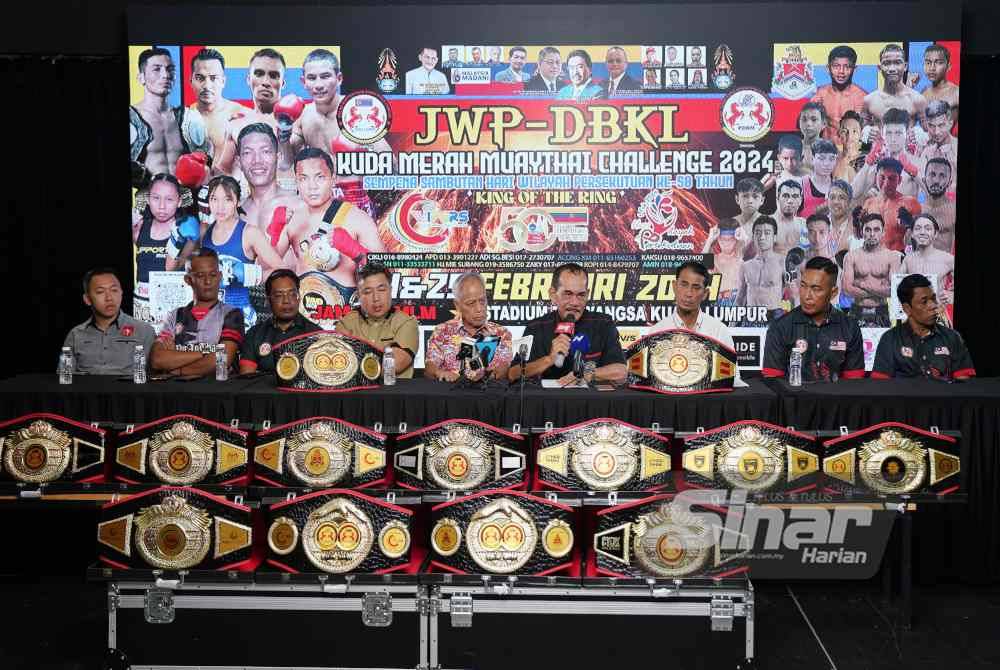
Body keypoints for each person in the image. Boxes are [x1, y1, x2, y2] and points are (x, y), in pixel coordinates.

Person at [280, 49, 394, 218]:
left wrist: (364, 154)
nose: (318, 84)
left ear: (339, 78)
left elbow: (390, 162)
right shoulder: (302, 114)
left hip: (356, 196)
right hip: (320, 196)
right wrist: (283, 132)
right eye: (312, 78)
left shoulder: (356, 111)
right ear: (303, 82)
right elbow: (288, 161)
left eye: (325, 76)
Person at [275, 148, 385, 304]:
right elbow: (264, 269)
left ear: (333, 179)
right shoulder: (292, 218)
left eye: (320, 177)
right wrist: (274, 231)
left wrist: (355, 251)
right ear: (296, 182)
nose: (312, 186)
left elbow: (387, 274)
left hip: (345, 317)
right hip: (303, 318)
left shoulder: (357, 218)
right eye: (304, 179)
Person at [510, 263, 626, 386]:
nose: (575, 302)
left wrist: (585, 373)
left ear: (587, 295)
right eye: (568, 294)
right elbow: (513, 373)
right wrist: (549, 359)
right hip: (546, 402)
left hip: (591, 403)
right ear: (553, 295)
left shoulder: (604, 324)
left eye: (581, 295)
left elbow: (621, 372)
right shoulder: (535, 327)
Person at [200, 175, 286, 326]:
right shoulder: (206, 233)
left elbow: (282, 271)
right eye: (214, 199)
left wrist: (249, 274)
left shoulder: (249, 233)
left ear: (237, 202)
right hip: (210, 319)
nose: (220, 207)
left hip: (240, 320)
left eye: (227, 199)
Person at [762, 256, 864, 382]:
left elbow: (855, 385)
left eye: (816, 289)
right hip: (794, 400)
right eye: (803, 286)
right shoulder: (780, 327)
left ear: (833, 293)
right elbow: (773, 385)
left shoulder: (850, 327)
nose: (806, 296)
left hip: (837, 401)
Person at [150, 248, 245, 377]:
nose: (208, 281)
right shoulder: (174, 315)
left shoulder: (232, 314)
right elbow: (157, 360)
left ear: (220, 276)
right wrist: (206, 353)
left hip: (218, 393)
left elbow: (222, 360)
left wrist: (178, 367)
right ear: (188, 280)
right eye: (200, 276)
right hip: (178, 392)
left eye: (213, 275)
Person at [650, 261, 743, 384]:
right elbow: (650, 379)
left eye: (696, 287)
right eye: (684, 284)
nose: (688, 294)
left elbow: (733, 378)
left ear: (705, 294)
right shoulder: (656, 331)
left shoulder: (719, 330)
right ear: (674, 286)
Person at [130, 48, 212, 186]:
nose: (165, 75)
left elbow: (206, 160)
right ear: (141, 77)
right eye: (157, 69)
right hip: (148, 199)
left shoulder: (188, 117)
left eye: (170, 69)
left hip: (184, 199)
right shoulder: (131, 118)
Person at [871, 274, 973, 380]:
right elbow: (881, 387)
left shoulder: (952, 337)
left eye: (933, 299)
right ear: (907, 308)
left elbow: (964, 386)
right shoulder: (890, 339)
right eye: (924, 302)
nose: (933, 305)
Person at [62, 268, 156, 375]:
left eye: (114, 290)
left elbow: (153, 377)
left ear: (121, 293)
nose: (109, 298)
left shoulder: (144, 331)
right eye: (100, 292)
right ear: (87, 299)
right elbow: (65, 377)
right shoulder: (76, 334)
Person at [425, 272, 513, 382]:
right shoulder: (442, 332)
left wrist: (486, 377)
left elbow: (504, 369)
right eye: (471, 303)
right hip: (450, 395)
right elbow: (430, 368)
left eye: (482, 301)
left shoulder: (501, 333)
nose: (479, 309)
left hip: (488, 396)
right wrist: (440, 373)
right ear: (457, 305)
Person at [335, 263, 419, 378]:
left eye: (381, 290)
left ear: (390, 290)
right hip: (355, 393)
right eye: (368, 292)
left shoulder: (406, 322)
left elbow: (395, 365)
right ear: (359, 295)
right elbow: (337, 364)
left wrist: (353, 362)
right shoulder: (346, 323)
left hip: (393, 393)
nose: (376, 298)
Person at [215, 48, 288, 177]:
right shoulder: (237, 122)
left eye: (273, 75)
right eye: (259, 74)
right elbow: (223, 172)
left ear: (282, 83)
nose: (265, 82)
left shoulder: (297, 121)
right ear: (249, 79)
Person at [239, 269, 320, 374]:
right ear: (268, 301)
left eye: (292, 294)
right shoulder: (254, 335)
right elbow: (246, 378)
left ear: (299, 297)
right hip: (262, 390)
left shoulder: (317, 335)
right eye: (279, 295)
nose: (286, 300)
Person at [132, 174, 188, 320]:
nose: (162, 206)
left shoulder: (186, 232)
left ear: (179, 201)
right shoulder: (138, 229)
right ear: (148, 199)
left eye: (169, 199)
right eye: (156, 198)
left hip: (175, 313)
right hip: (142, 310)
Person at [236, 123, 302, 246]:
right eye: (248, 153)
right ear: (239, 162)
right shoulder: (234, 213)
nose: (257, 160)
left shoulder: (298, 207)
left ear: (279, 157)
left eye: (265, 151)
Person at [188, 48, 246, 162]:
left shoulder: (240, 115)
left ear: (223, 81)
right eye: (200, 78)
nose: (207, 85)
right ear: (191, 81)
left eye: (213, 78)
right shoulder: (183, 117)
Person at [842, 213, 901, 323]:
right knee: (854, 340)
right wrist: (879, 290)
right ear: (862, 232)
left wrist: (862, 285)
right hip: (857, 310)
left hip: (881, 311)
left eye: (876, 230)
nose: (872, 234)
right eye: (868, 230)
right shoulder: (851, 256)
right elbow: (847, 290)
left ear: (883, 232)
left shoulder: (893, 257)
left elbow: (894, 291)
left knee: (883, 340)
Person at [852, 108, 920, 202]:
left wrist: (914, 173)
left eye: (898, 133)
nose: (893, 139)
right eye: (888, 133)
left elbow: (931, 196)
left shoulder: (916, 162)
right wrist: (868, 163)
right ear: (883, 134)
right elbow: (854, 193)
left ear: (907, 133)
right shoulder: (878, 164)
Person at [861, 158, 921, 252]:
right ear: (876, 177)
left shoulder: (910, 203)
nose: (886, 183)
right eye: (882, 177)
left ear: (900, 180)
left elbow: (918, 242)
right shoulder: (868, 203)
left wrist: (911, 225)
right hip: (873, 258)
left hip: (898, 258)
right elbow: (859, 237)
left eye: (891, 178)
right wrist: (856, 224)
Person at [862, 44, 927, 128]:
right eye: (887, 63)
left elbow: (929, 134)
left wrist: (918, 135)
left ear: (905, 66)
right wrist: (867, 134)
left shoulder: (918, 100)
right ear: (879, 67)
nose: (892, 68)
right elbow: (860, 134)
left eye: (897, 63)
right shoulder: (869, 100)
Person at [811, 46, 867, 141]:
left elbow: (864, 134)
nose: (841, 71)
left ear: (855, 69)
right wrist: (812, 110)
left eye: (847, 66)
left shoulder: (862, 97)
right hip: (826, 151)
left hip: (850, 151)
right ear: (828, 68)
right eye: (836, 66)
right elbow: (808, 127)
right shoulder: (821, 93)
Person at [900, 214, 955, 306]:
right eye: (918, 228)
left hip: (937, 314)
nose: (922, 232)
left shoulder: (948, 259)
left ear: (935, 233)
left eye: (928, 228)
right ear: (912, 234)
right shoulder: (908, 259)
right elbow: (898, 287)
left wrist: (952, 295)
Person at [737, 217, 784, 311]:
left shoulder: (783, 262)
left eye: (767, 233)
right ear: (753, 237)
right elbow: (740, 298)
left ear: (774, 237)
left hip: (774, 317)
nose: (762, 237)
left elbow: (794, 295)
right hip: (751, 316)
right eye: (758, 233)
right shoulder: (745, 266)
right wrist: (732, 324)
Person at [917, 100, 958, 192]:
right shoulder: (926, 153)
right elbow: (921, 189)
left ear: (950, 123)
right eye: (931, 126)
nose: (936, 132)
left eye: (941, 125)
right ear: (927, 125)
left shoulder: (956, 149)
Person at [702, 218, 743, 303]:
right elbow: (700, 268)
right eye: (722, 239)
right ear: (718, 239)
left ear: (736, 239)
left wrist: (742, 237)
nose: (726, 244)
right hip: (718, 304)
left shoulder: (741, 258)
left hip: (738, 304)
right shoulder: (714, 260)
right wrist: (710, 239)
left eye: (730, 240)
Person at [921, 157, 956, 253]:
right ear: (924, 179)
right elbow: (908, 242)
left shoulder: (954, 210)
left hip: (943, 265)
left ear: (949, 182)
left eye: (942, 176)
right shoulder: (917, 206)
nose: (936, 180)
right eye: (932, 174)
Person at [920, 44, 959, 126]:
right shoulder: (924, 92)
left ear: (948, 67)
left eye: (938, 63)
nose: (932, 68)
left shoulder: (956, 93)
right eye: (928, 63)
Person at [801, 139, 838, 218]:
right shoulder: (801, 184)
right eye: (821, 158)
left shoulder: (840, 187)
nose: (827, 163)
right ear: (812, 159)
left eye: (831, 159)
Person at [774, 180, 807, 254]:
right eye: (785, 196)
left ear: (800, 200)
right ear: (778, 198)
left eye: (795, 196)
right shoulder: (767, 224)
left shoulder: (804, 224)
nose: (790, 201)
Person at [733, 177, 764, 257]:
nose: (750, 201)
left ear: (762, 200)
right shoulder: (729, 224)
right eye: (745, 196)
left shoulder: (770, 223)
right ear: (737, 199)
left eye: (755, 196)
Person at [826, 179, 857, 253]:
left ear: (850, 202)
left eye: (841, 197)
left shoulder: (857, 229)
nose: (836, 202)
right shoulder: (818, 224)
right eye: (832, 197)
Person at [833, 111, 865, 182]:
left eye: (854, 131)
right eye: (844, 131)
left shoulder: (866, 160)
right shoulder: (831, 159)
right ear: (839, 133)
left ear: (861, 135)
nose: (849, 136)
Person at [797, 102, 827, 172]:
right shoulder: (791, 149)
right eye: (804, 119)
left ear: (824, 124)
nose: (808, 124)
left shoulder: (831, 151)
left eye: (814, 120)